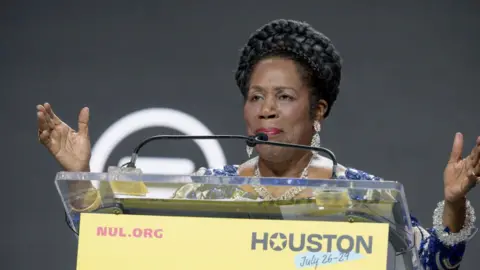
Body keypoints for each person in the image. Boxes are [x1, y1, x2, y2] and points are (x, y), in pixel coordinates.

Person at [37, 19, 479, 269]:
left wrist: (454, 202)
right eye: (255, 97)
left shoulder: (362, 197)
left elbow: (432, 260)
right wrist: (80, 175)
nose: (266, 109)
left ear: (318, 110)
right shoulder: (208, 191)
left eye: (284, 97)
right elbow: (120, 244)